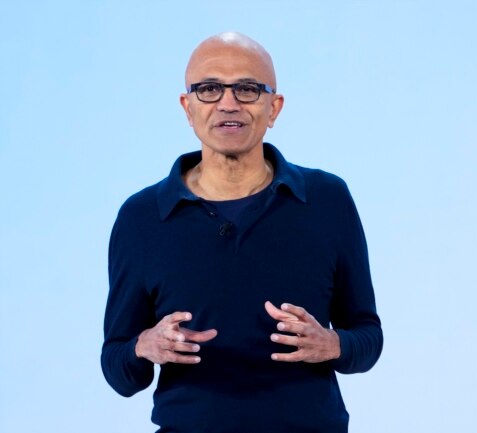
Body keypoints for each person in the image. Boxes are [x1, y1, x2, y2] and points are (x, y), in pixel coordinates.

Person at [101, 31, 383, 433]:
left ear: (274, 107)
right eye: (209, 89)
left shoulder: (327, 199)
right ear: (188, 107)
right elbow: (118, 369)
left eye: (248, 89)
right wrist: (145, 346)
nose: (228, 103)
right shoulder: (141, 217)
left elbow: (368, 338)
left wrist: (333, 345)